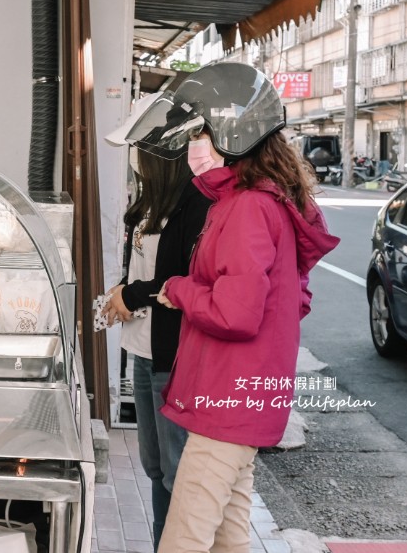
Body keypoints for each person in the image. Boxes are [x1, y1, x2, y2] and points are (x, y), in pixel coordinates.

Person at [126, 63, 340, 553]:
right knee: (228, 536)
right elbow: (291, 299)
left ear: (233, 133)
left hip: (228, 400)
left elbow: (236, 314)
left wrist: (178, 288)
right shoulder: (263, 201)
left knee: (185, 536)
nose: (193, 146)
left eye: (200, 131)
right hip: (243, 397)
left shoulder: (246, 207)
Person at [102, 95, 213, 549]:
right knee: (155, 467)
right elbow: (142, 272)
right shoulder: (149, 203)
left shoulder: (197, 205)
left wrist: (130, 294)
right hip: (143, 352)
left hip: (176, 357)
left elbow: (186, 281)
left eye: (139, 150)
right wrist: (119, 294)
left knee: (176, 469)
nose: (134, 160)